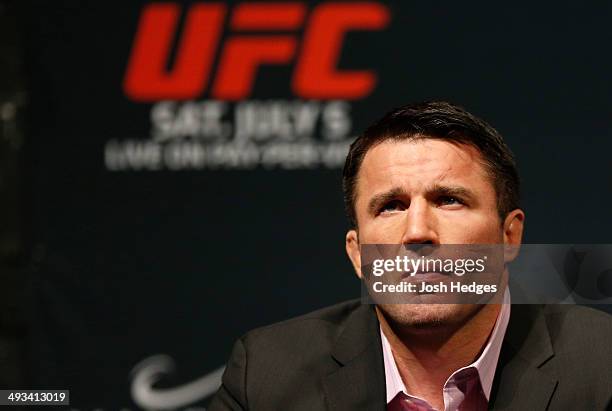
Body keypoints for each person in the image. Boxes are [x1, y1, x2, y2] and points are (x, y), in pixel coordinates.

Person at [209, 102, 612, 410]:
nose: (417, 231)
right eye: (390, 206)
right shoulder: (265, 377)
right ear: (357, 252)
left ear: (509, 235)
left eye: (449, 200)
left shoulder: (602, 367)